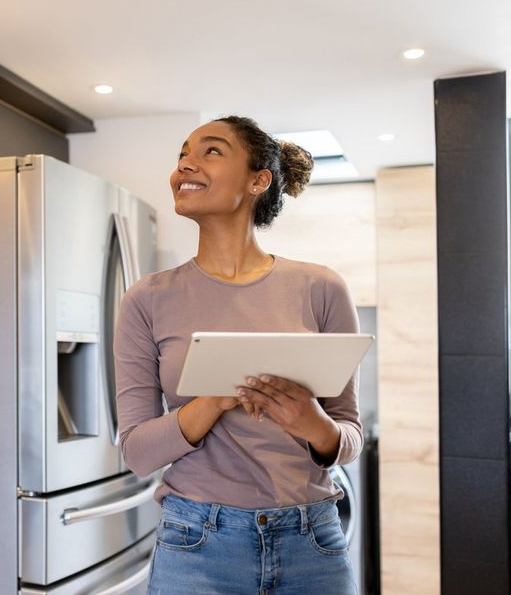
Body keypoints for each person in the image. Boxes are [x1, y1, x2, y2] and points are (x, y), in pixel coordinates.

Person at [115, 116, 361, 595]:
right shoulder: (146, 299)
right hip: (195, 543)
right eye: (182, 153)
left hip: (310, 541)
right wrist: (214, 400)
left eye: (210, 151)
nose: (185, 162)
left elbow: (349, 436)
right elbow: (137, 451)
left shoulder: (322, 288)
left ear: (258, 180)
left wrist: (310, 422)